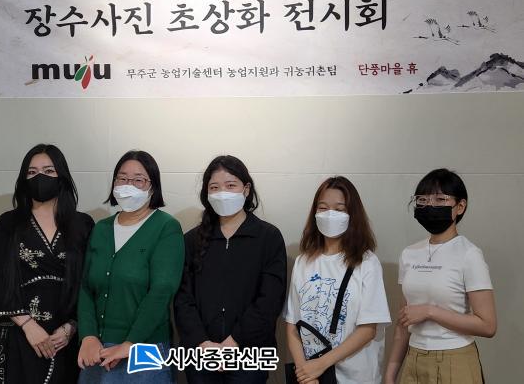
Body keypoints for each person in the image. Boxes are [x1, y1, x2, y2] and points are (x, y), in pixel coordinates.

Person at [0, 144, 94, 384]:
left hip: (66, 338)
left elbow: (89, 282)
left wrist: (71, 327)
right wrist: (28, 325)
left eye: (48, 171)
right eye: (32, 172)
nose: (40, 177)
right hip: (19, 334)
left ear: (62, 176)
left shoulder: (83, 224)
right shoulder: (9, 223)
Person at [174, 155, 287, 384]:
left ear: (246, 189)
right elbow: (182, 298)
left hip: (250, 355)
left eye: (230, 185)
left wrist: (233, 343)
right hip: (201, 355)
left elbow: (270, 299)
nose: (222, 193)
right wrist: (203, 343)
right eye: (214, 187)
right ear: (206, 193)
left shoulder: (268, 237)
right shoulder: (192, 240)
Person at [77, 150, 185, 383]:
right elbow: (86, 287)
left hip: (146, 347)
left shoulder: (166, 227)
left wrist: (130, 343)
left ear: (152, 187)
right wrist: (88, 336)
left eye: (138, 180)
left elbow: (162, 290)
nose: (128, 186)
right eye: (122, 178)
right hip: (97, 349)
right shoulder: (101, 228)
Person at [384, 169, 496, 384]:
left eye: (440, 199)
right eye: (423, 199)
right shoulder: (409, 254)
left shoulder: (469, 254)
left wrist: (430, 311)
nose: (430, 205)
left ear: (460, 206)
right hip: (414, 360)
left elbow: (488, 325)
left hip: (456, 359)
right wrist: (390, 374)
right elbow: (404, 321)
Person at [284, 176, 390, 384]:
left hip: (355, 378)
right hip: (311, 376)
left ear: (352, 214)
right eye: (323, 208)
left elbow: (368, 330)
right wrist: (305, 372)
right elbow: (292, 325)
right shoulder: (303, 262)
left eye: (339, 209)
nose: (330, 214)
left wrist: (320, 365)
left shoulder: (367, 262)